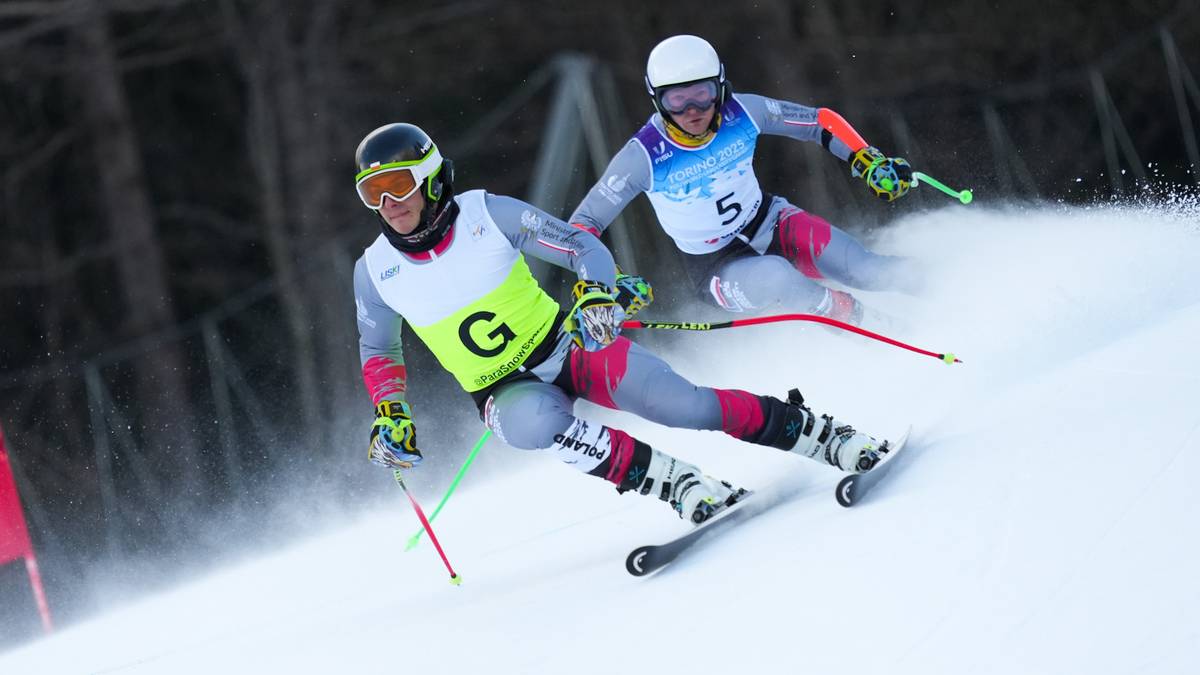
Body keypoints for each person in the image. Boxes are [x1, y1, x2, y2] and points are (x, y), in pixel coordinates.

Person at [352, 122, 893, 524]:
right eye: (373, 194)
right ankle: (677, 483)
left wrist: (595, 293)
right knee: (535, 427)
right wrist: (390, 411)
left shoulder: (486, 214)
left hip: (570, 345)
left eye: (398, 185)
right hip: (501, 389)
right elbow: (379, 351)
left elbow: (579, 244)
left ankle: (824, 436)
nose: (390, 204)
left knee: (687, 406)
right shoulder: (376, 271)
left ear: (430, 178)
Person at [568, 34, 921, 328]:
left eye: (701, 93)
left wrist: (867, 158)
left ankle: (957, 287)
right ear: (657, 100)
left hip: (772, 220)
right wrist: (605, 282)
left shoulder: (745, 113)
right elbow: (583, 224)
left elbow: (818, 121)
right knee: (779, 278)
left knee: (866, 269)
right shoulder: (642, 157)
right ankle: (885, 330)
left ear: (719, 86)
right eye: (676, 100)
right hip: (715, 267)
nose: (692, 110)